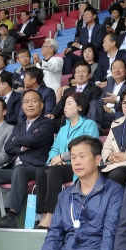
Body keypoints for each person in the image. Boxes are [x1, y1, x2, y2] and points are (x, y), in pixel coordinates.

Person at [0, 90, 56, 229]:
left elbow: (34, 139)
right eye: (26, 102)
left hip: (34, 168)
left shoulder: (47, 123)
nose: (29, 104)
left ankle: (11, 217)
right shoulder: (19, 125)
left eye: (33, 101)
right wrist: (20, 146)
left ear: (42, 104)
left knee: (20, 171)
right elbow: (8, 147)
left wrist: (17, 139)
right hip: (14, 167)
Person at [35, 93, 99, 229]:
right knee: (41, 171)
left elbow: (87, 148)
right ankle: (43, 214)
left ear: (80, 107)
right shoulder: (63, 129)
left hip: (80, 165)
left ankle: (52, 215)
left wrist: (63, 157)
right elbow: (54, 148)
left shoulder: (89, 124)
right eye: (65, 104)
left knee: (53, 172)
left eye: (69, 103)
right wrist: (54, 159)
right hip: (61, 166)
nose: (65, 107)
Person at [87, 59, 126, 130]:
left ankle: (94, 129)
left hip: (116, 115)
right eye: (114, 68)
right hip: (103, 114)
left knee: (91, 118)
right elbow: (100, 101)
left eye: (120, 67)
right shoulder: (108, 87)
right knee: (94, 103)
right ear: (111, 72)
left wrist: (112, 110)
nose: (117, 70)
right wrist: (104, 107)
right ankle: (96, 128)